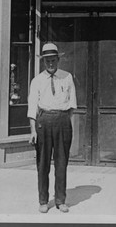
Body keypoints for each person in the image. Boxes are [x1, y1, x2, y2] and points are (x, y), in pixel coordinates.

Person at [27, 42, 77, 214]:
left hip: (63, 120)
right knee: (43, 164)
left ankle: (61, 200)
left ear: (58, 60)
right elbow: (32, 107)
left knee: (61, 163)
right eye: (47, 60)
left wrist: (64, 123)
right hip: (44, 121)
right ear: (43, 61)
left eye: (53, 59)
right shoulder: (37, 80)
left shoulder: (67, 77)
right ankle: (43, 200)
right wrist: (33, 131)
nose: (50, 63)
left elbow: (71, 105)